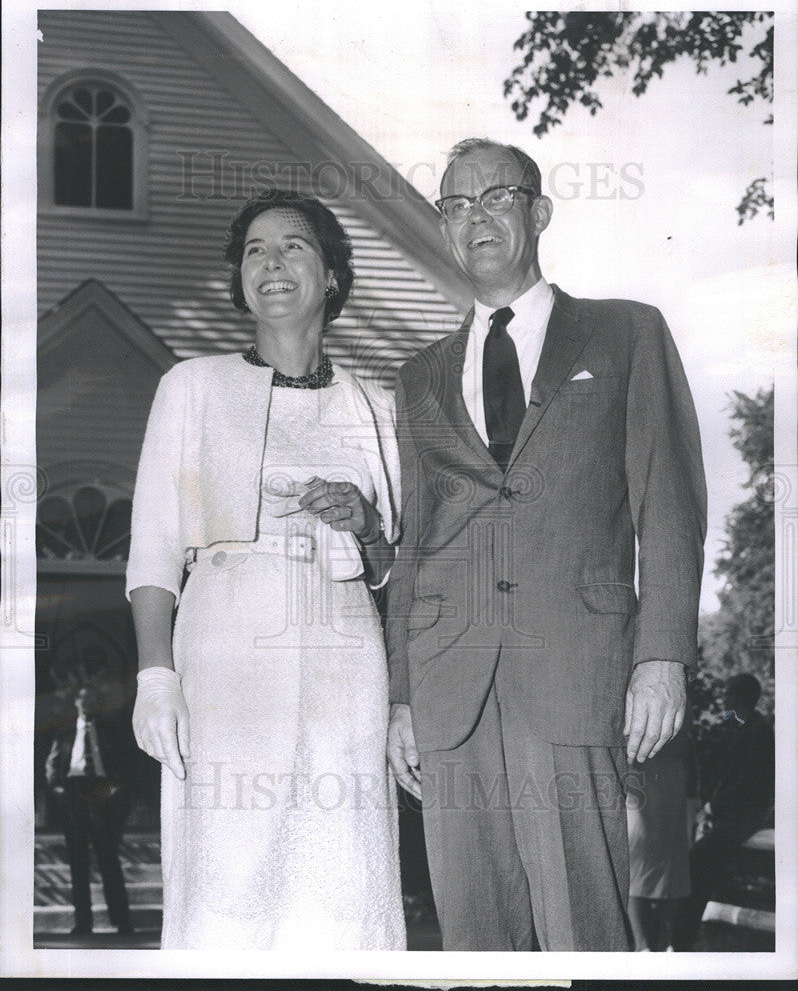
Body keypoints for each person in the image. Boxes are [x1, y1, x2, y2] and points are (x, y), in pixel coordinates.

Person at [385, 138, 707, 951]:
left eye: (495, 197)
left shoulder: (624, 333)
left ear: (539, 211)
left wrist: (661, 657)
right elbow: (413, 541)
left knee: (586, 928)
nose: (474, 219)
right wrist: (399, 698)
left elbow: (669, 504)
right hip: (449, 687)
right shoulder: (418, 375)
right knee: (474, 941)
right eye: (455, 206)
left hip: (574, 669)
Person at [127, 190, 405, 950]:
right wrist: (156, 678)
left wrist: (365, 523)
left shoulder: (377, 408)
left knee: (343, 866)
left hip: (344, 653)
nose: (271, 263)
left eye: (293, 246)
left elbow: (397, 571)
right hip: (225, 650)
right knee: (231, 869)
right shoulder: (191, 387)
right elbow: (153, 543)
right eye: (254, 249)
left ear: (334, 277)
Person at [672, 673, 774, 950]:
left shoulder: (759, 731)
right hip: (731, 815)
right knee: (698, 867)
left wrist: (711, 809)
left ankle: (681, 943)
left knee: (696, 863)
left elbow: (746, 782)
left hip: (746, 816)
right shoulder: (744, 728)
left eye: (729, 695)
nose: (724, 700)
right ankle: (683, 941)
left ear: (739, 697)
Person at [45, 683, 134, 936]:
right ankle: (83, 922)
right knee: (78, 861)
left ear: (98, 703)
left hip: (101, 791)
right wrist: (57, 788)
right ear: (76, 703)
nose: (87, 703)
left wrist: (114, 789)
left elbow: (126, 763)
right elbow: (52, 762)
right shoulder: (64, 731)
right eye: (83, 699)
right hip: (72, 792)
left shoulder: (111, 730)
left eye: (92, 699)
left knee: (108, 858)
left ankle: (122, 921)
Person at [626, 728, 696, 950]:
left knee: (672, 866)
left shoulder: (681, 703)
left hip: (672, 783)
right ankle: (641, 944)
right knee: (635, 860)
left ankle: (667, 942)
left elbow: (689, 748)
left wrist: (693, 798)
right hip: (638, 778)